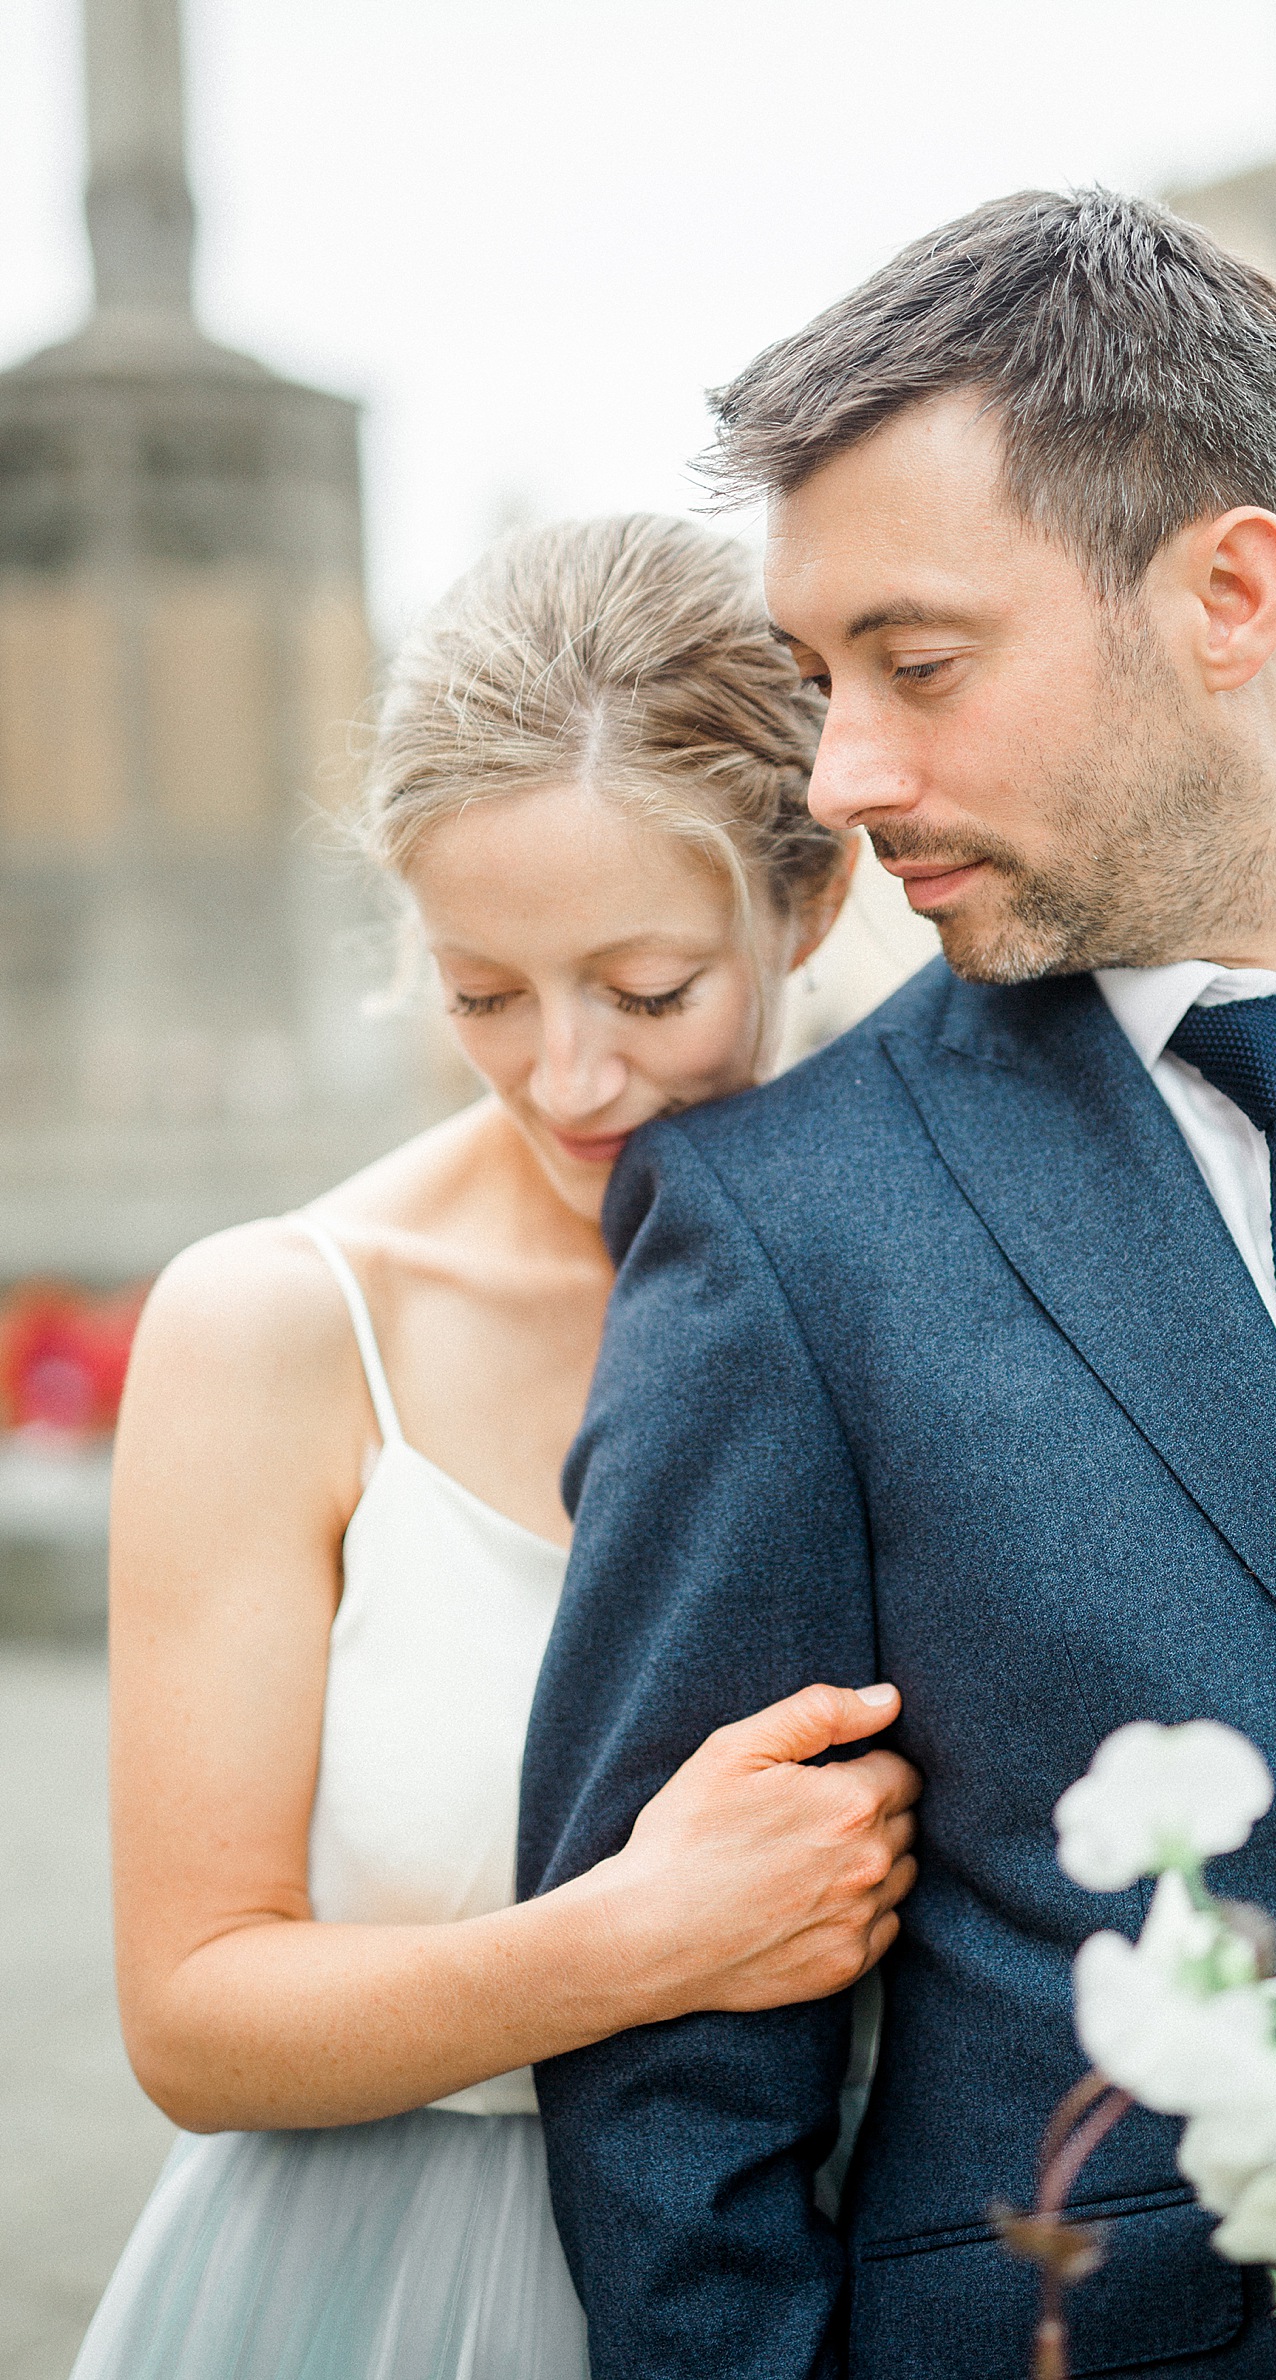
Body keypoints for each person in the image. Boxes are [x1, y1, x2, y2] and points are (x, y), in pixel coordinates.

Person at [517, 189, 1276, 2380]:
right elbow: (677, 2080)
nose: (839, 772)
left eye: (918, 661)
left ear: (1228, 593)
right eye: (816, 679)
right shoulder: (782, 1224)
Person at [74, 514, 921, 2380]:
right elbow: (195, 2018)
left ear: (806, 896)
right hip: (377, 2292)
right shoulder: (275, 1329)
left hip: (884, 2272)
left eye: (647, 991)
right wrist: (640, 1938)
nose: (569, 1077)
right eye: (484, 994)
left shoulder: (943, 1261)